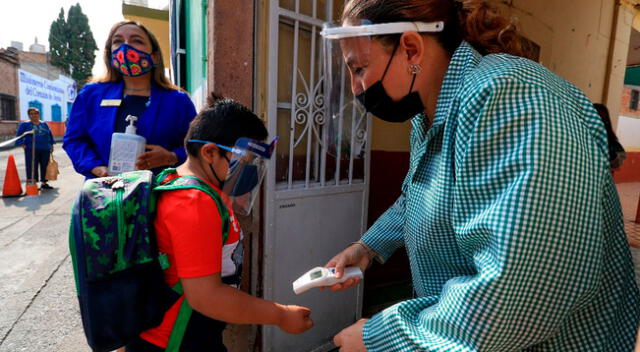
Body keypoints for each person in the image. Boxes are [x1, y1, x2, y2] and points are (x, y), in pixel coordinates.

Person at [320, 0, 640, 351]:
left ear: (411, 49)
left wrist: (379, 338)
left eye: (360, 68)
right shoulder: (430, 113)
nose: (355, 87)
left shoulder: (507, 96)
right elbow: (421, 194)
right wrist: (367, 248)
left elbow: (517, 294)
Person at [125, 93, 313, 351]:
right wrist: (280, 315)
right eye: (241, 162)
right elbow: (207, 296)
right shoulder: (195, 202)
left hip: (184, 331)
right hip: (176, 341)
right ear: (210, 153)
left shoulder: (179, 182)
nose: (247, 170)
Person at [63, 21, 197, 178]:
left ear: (154, 56)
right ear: (110, 53)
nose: (125, 47)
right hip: (104, 196)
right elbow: (74, 140)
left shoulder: (178, 101)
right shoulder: (91, 95)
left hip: (161, 193)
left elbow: (197, 145)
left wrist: (172, 157)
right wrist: (96, 167)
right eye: (118, 41)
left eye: (137, 41)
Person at [15, 107, 55, 189]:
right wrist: (22, 144)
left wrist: (51, 145)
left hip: (45, 148)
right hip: (31, 149)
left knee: (45, 166)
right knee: (32, 166)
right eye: (31, 114)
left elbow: (49, 134)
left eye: (36, 113)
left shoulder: (44, 124)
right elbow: (19, 136)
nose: (34, 115)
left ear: (39, 114)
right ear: (29, 115)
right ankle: (33, 184)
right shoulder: (25, 124)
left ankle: (44, 183)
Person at [593, 103, 627, 170]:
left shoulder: (609, 139)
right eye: (598, 117)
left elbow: (620, 157)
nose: (601, 122)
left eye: (604, 119)